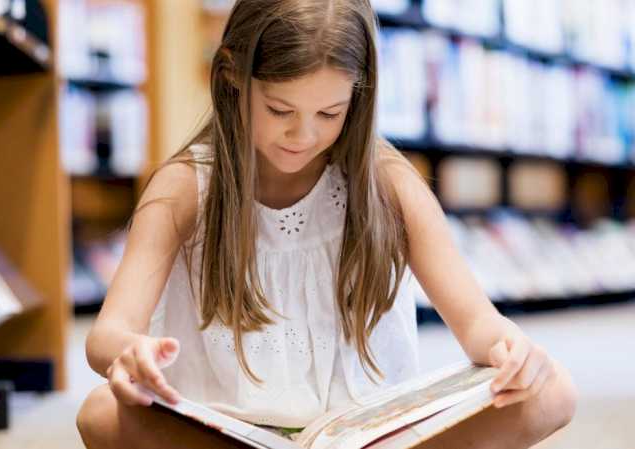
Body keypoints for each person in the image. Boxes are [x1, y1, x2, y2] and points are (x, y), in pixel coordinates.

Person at [77, 1, 577, 447]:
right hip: (229, 430)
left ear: (358, 98)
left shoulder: (389, 183)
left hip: (368, 436)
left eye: (330, 112)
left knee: (550, 390)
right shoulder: (185, 186)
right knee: (101, 413)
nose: (304, 134)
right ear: (230, 75)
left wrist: (510, 349)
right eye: (279, 109)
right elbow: (107, 335)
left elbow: (476, 323)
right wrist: (131, 352)